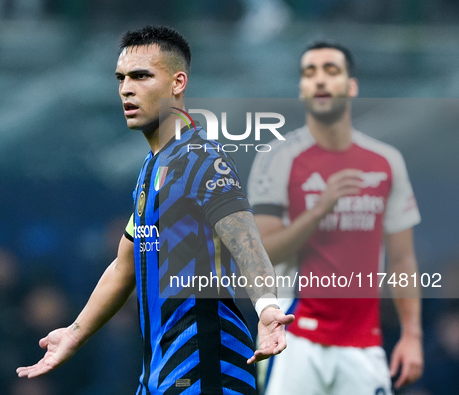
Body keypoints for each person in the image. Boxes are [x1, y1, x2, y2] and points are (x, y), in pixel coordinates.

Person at [17, 25, 294, 394]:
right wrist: (74, 333)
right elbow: (124, 265)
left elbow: (245, 239)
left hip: (206, 367)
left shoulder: (202, 159)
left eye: (141, 76)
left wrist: (267, 307)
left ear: (178, 82)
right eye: (121, 79)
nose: (126, 89)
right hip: (162, 374)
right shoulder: (153, 168)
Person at [247, 41, 423, 395]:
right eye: (309, 73)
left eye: (331, 70)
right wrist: (320, 209)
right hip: (293, 338)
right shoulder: (276, 159)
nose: (320, 80)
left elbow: (402, 259)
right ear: (302, 89)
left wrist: (412, 335)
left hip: (364, 345)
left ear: (352, 85)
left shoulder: (386, 161)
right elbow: (263, 252)